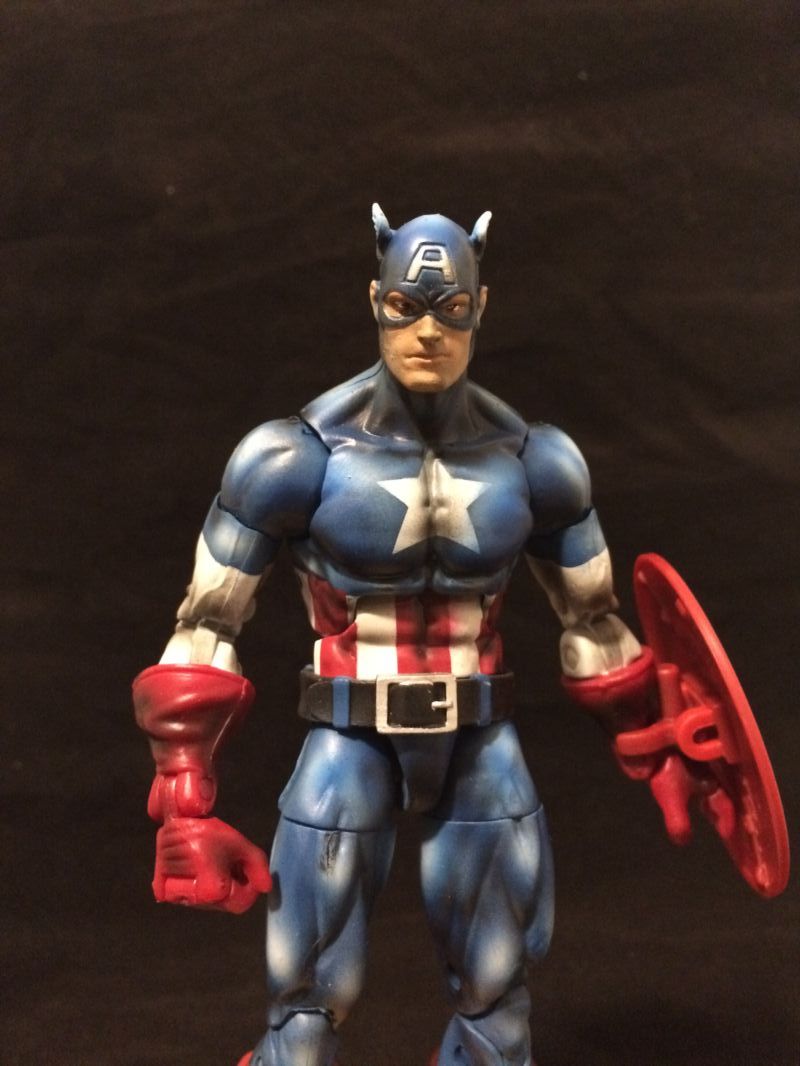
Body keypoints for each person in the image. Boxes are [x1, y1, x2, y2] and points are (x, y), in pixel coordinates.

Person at [133, 205, 656, 1066]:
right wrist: (184, 790)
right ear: (374, 300)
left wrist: (657, 737)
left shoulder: (536, 462)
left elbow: (594, 621)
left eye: (451, 309)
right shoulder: (295, 458)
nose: (427, 332)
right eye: (406, 307)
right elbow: (205, 625)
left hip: (479, 742)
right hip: (350, 737)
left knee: (498, 989)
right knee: (307, 996)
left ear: (481, 307)